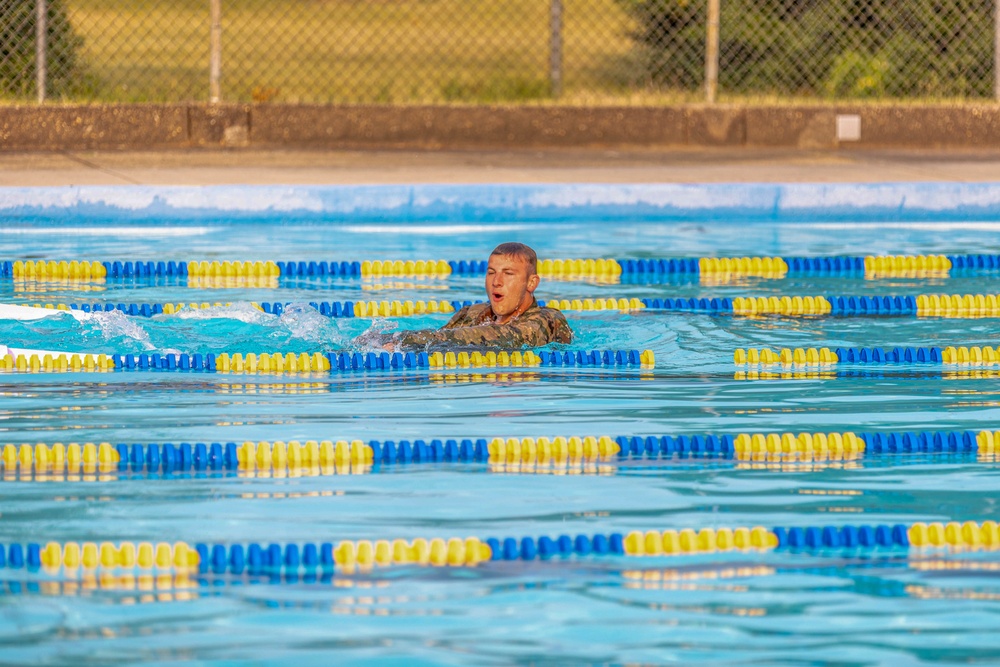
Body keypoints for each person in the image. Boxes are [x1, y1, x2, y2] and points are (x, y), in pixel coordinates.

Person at [372, 243, 573, 351]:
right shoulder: (472, 313)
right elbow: (437, 341)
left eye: (508, 274)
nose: (497, 281)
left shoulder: (548, 320)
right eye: (492, 272)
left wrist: (407, 341)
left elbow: (508, 337)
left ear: (532, 283)